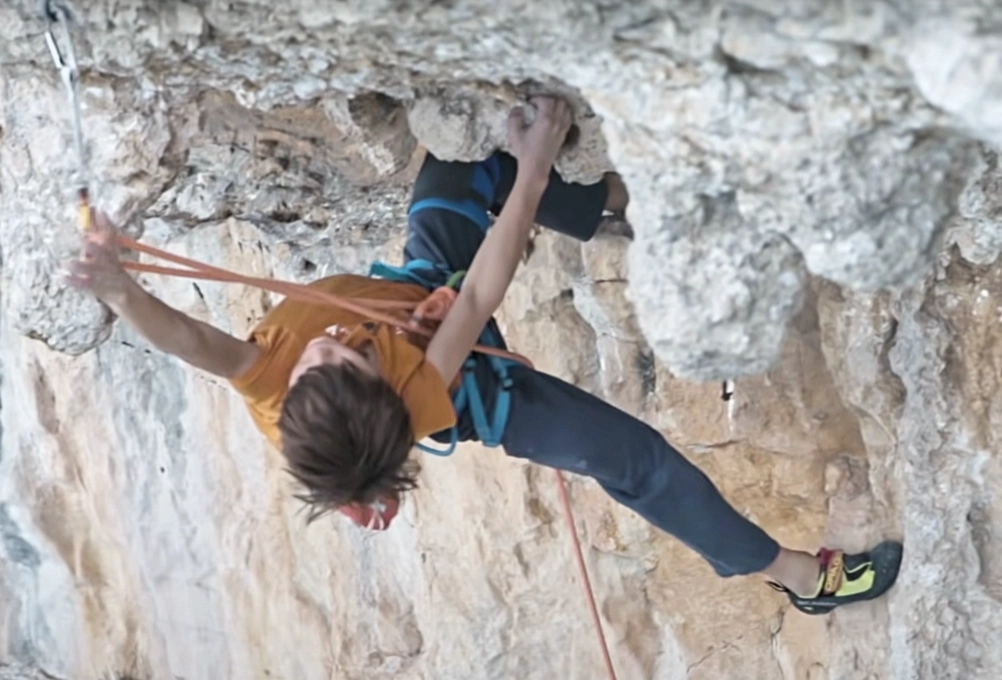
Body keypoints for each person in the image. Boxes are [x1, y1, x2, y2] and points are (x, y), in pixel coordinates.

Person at [67, 95, 902, 615]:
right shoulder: (423, 388)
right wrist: (536, 163)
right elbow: (478, 298)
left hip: (415, 286)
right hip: (483, 386)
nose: (322, 345)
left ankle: (625, 203)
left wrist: (117, 287)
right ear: (386, 388)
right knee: (640, 464)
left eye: (319, 358)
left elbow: (193, 343)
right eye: (345, 360)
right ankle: (803, 577)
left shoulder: (277, 387)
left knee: (458, 167)